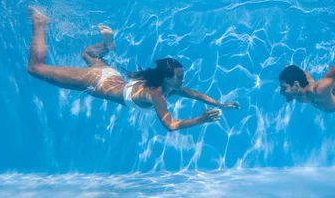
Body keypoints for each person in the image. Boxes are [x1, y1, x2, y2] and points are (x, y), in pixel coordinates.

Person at [27, 7, 240, 132]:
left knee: (88, 54)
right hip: (97, 81)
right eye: (179, 77)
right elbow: (171, 125)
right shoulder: (156, 94)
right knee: (35, 68)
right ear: (166, 78)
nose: (183, 82)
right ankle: (40, 23)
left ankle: (108, 47)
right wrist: (201, 120)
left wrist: (220, 104)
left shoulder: (167, 87)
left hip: (111, 77)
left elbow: (195, 94)